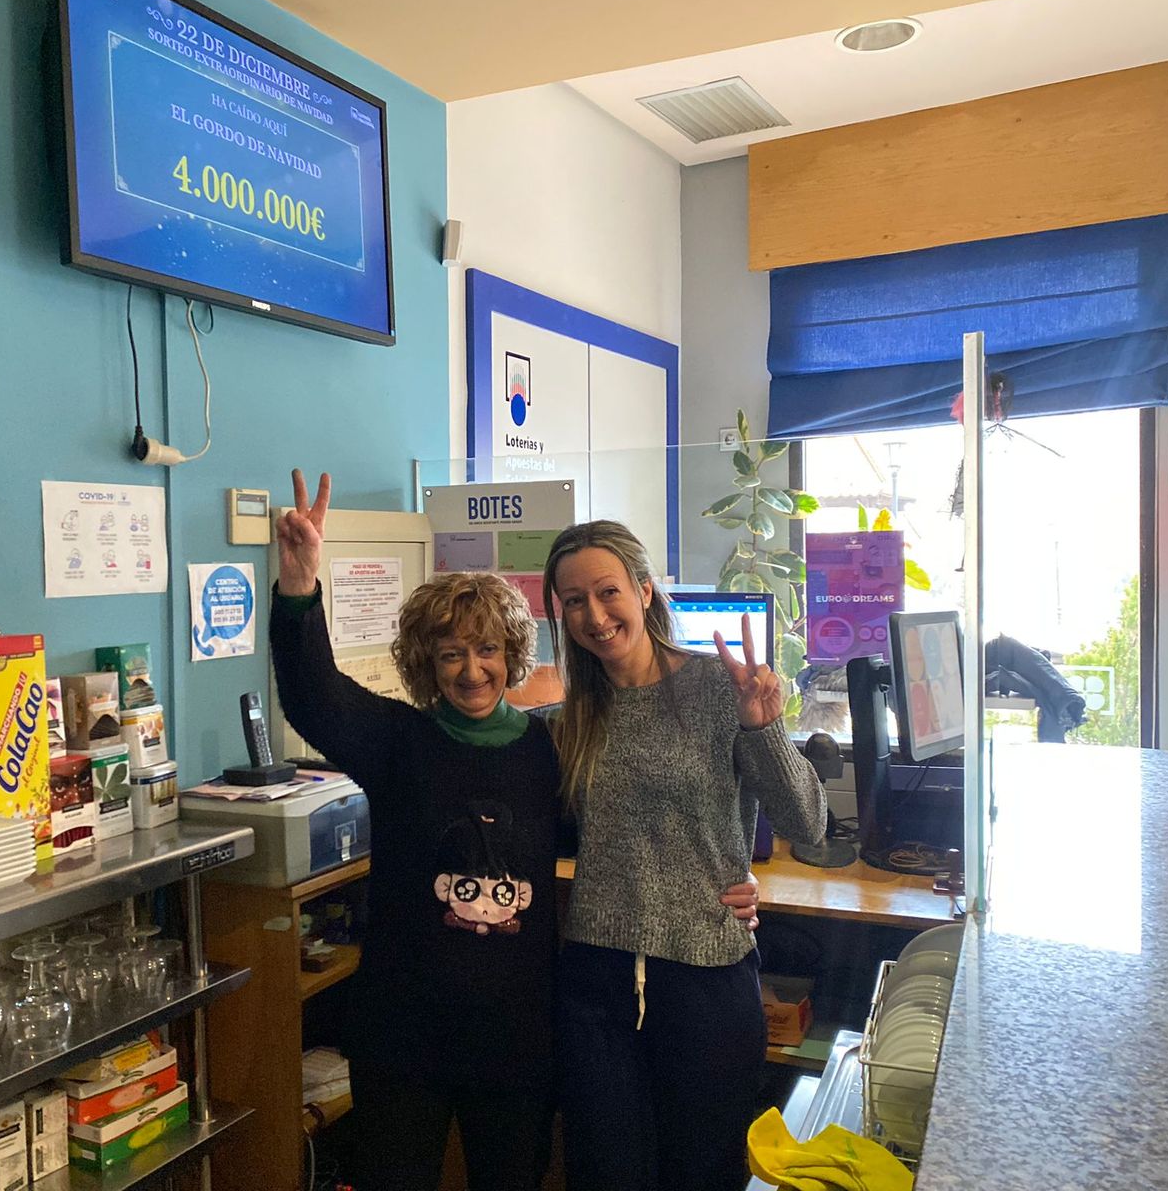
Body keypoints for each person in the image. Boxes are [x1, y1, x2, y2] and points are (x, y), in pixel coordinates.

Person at [270, 473, 761, 1191]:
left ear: (512, 654)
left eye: (487, 651)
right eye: (450, 654)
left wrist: (733, 877)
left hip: (517, 1043)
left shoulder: (551, 748)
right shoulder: (398, 743)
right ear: (426, 664)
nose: (472, 671)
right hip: (403, 1035)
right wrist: (298, 586)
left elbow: (633, 827)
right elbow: (315, 698)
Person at [541, 520, 827, 1191]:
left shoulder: (719, 687)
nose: (594, 616)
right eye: (574, 601)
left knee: (702, 1172)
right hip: (597, 983)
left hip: (706, 976)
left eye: (608, 592)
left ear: (644, 591)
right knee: (605, 1175)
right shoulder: (572, 712)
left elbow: (806, 823)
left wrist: (765, 726)